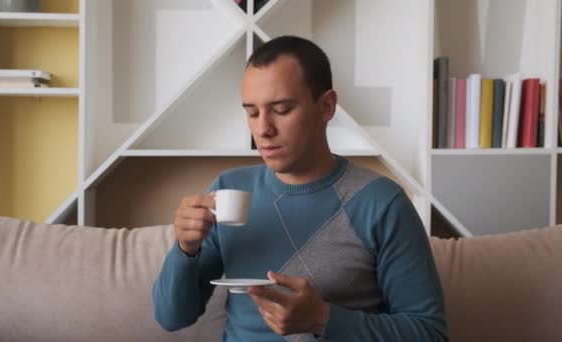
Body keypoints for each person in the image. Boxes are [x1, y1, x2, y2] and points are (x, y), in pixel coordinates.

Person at [154, 35, 448, 341]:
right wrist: (185, 251)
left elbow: (430, 333)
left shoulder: (381, 203)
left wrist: (324, 320)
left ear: (326, 106)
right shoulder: (228, 189)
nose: (263, 130)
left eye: (281, 110)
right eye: (252, 113)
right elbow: (172, 317)